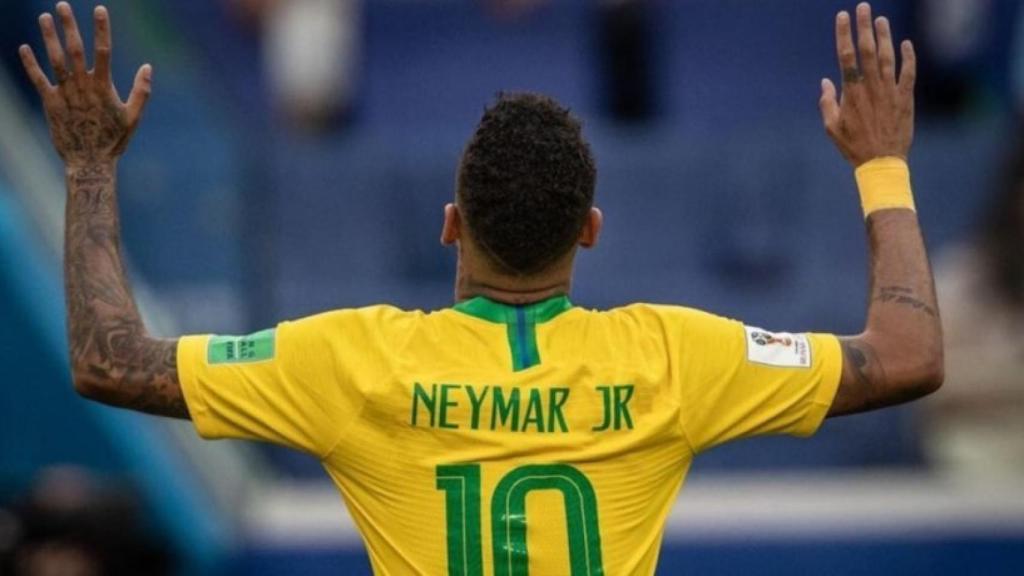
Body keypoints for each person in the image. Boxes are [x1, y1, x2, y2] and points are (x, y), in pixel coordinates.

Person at [18, 2, 942, 574]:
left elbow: (110, 362)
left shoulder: (353, 361)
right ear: (591, 230)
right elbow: (907, 357)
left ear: (451, 223)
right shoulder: (671, 357)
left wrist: (91, 167)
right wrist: (884, 165)